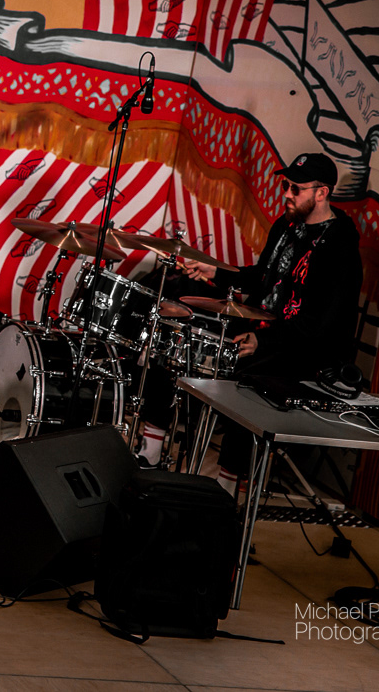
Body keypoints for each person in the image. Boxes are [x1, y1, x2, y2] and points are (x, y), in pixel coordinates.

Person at [137, 152, 363, 492]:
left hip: (302, 349)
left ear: (322, 193)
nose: (287, 194)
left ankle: (227, 484)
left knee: (248, 380)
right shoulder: (286, 225)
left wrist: (264, 340)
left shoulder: (340, 247)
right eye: (285, 185)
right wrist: (215, 271)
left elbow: (322, 324)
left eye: (296, 189)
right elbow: (262, 277)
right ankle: (151, 448)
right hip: (262, 330)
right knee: (179, 333)